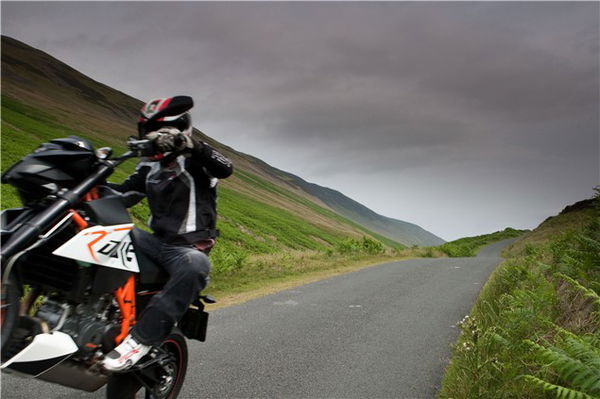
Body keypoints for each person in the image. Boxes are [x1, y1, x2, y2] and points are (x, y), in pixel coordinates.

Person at [102, 96, 233, 371]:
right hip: (154, 242)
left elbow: (225, 167)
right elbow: (124, 195)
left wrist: (190, 145)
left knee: (196, 265)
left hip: (186, 250)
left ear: (176, 130)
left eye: (157, 132)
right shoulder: (148, 167)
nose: (151, 138)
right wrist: (90, 182)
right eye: (146, 132)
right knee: (101, 232)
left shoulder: (198, 162)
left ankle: (139, 341)